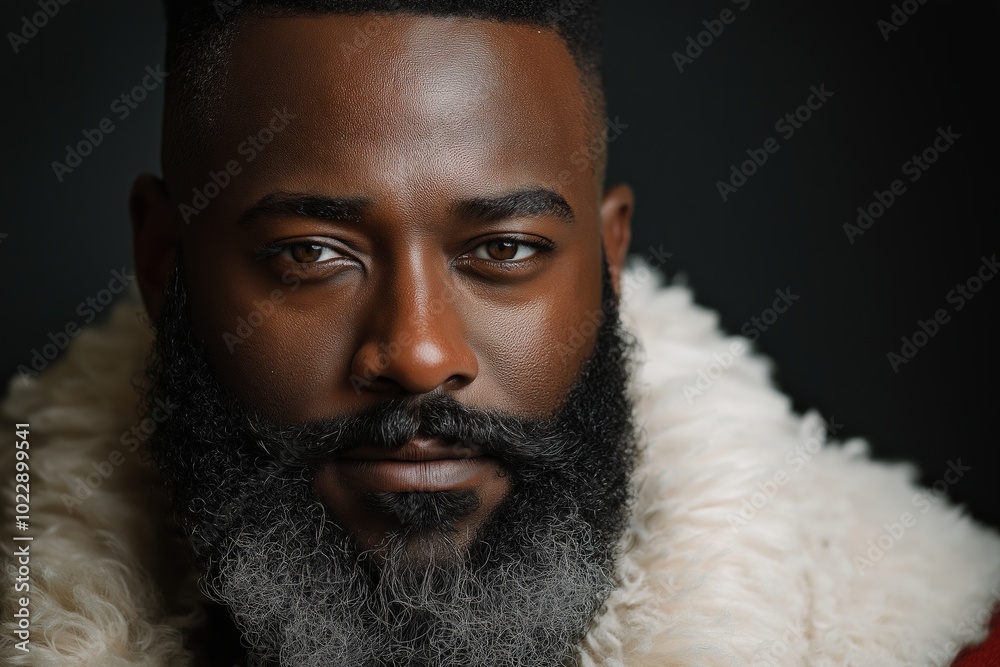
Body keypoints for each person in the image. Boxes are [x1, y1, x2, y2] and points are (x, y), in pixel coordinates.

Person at [2, 1, 998, 665]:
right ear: (165, 264)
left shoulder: (952, 644)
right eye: (310, 253)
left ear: (607, 263)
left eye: (506, 250)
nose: (421, 352)